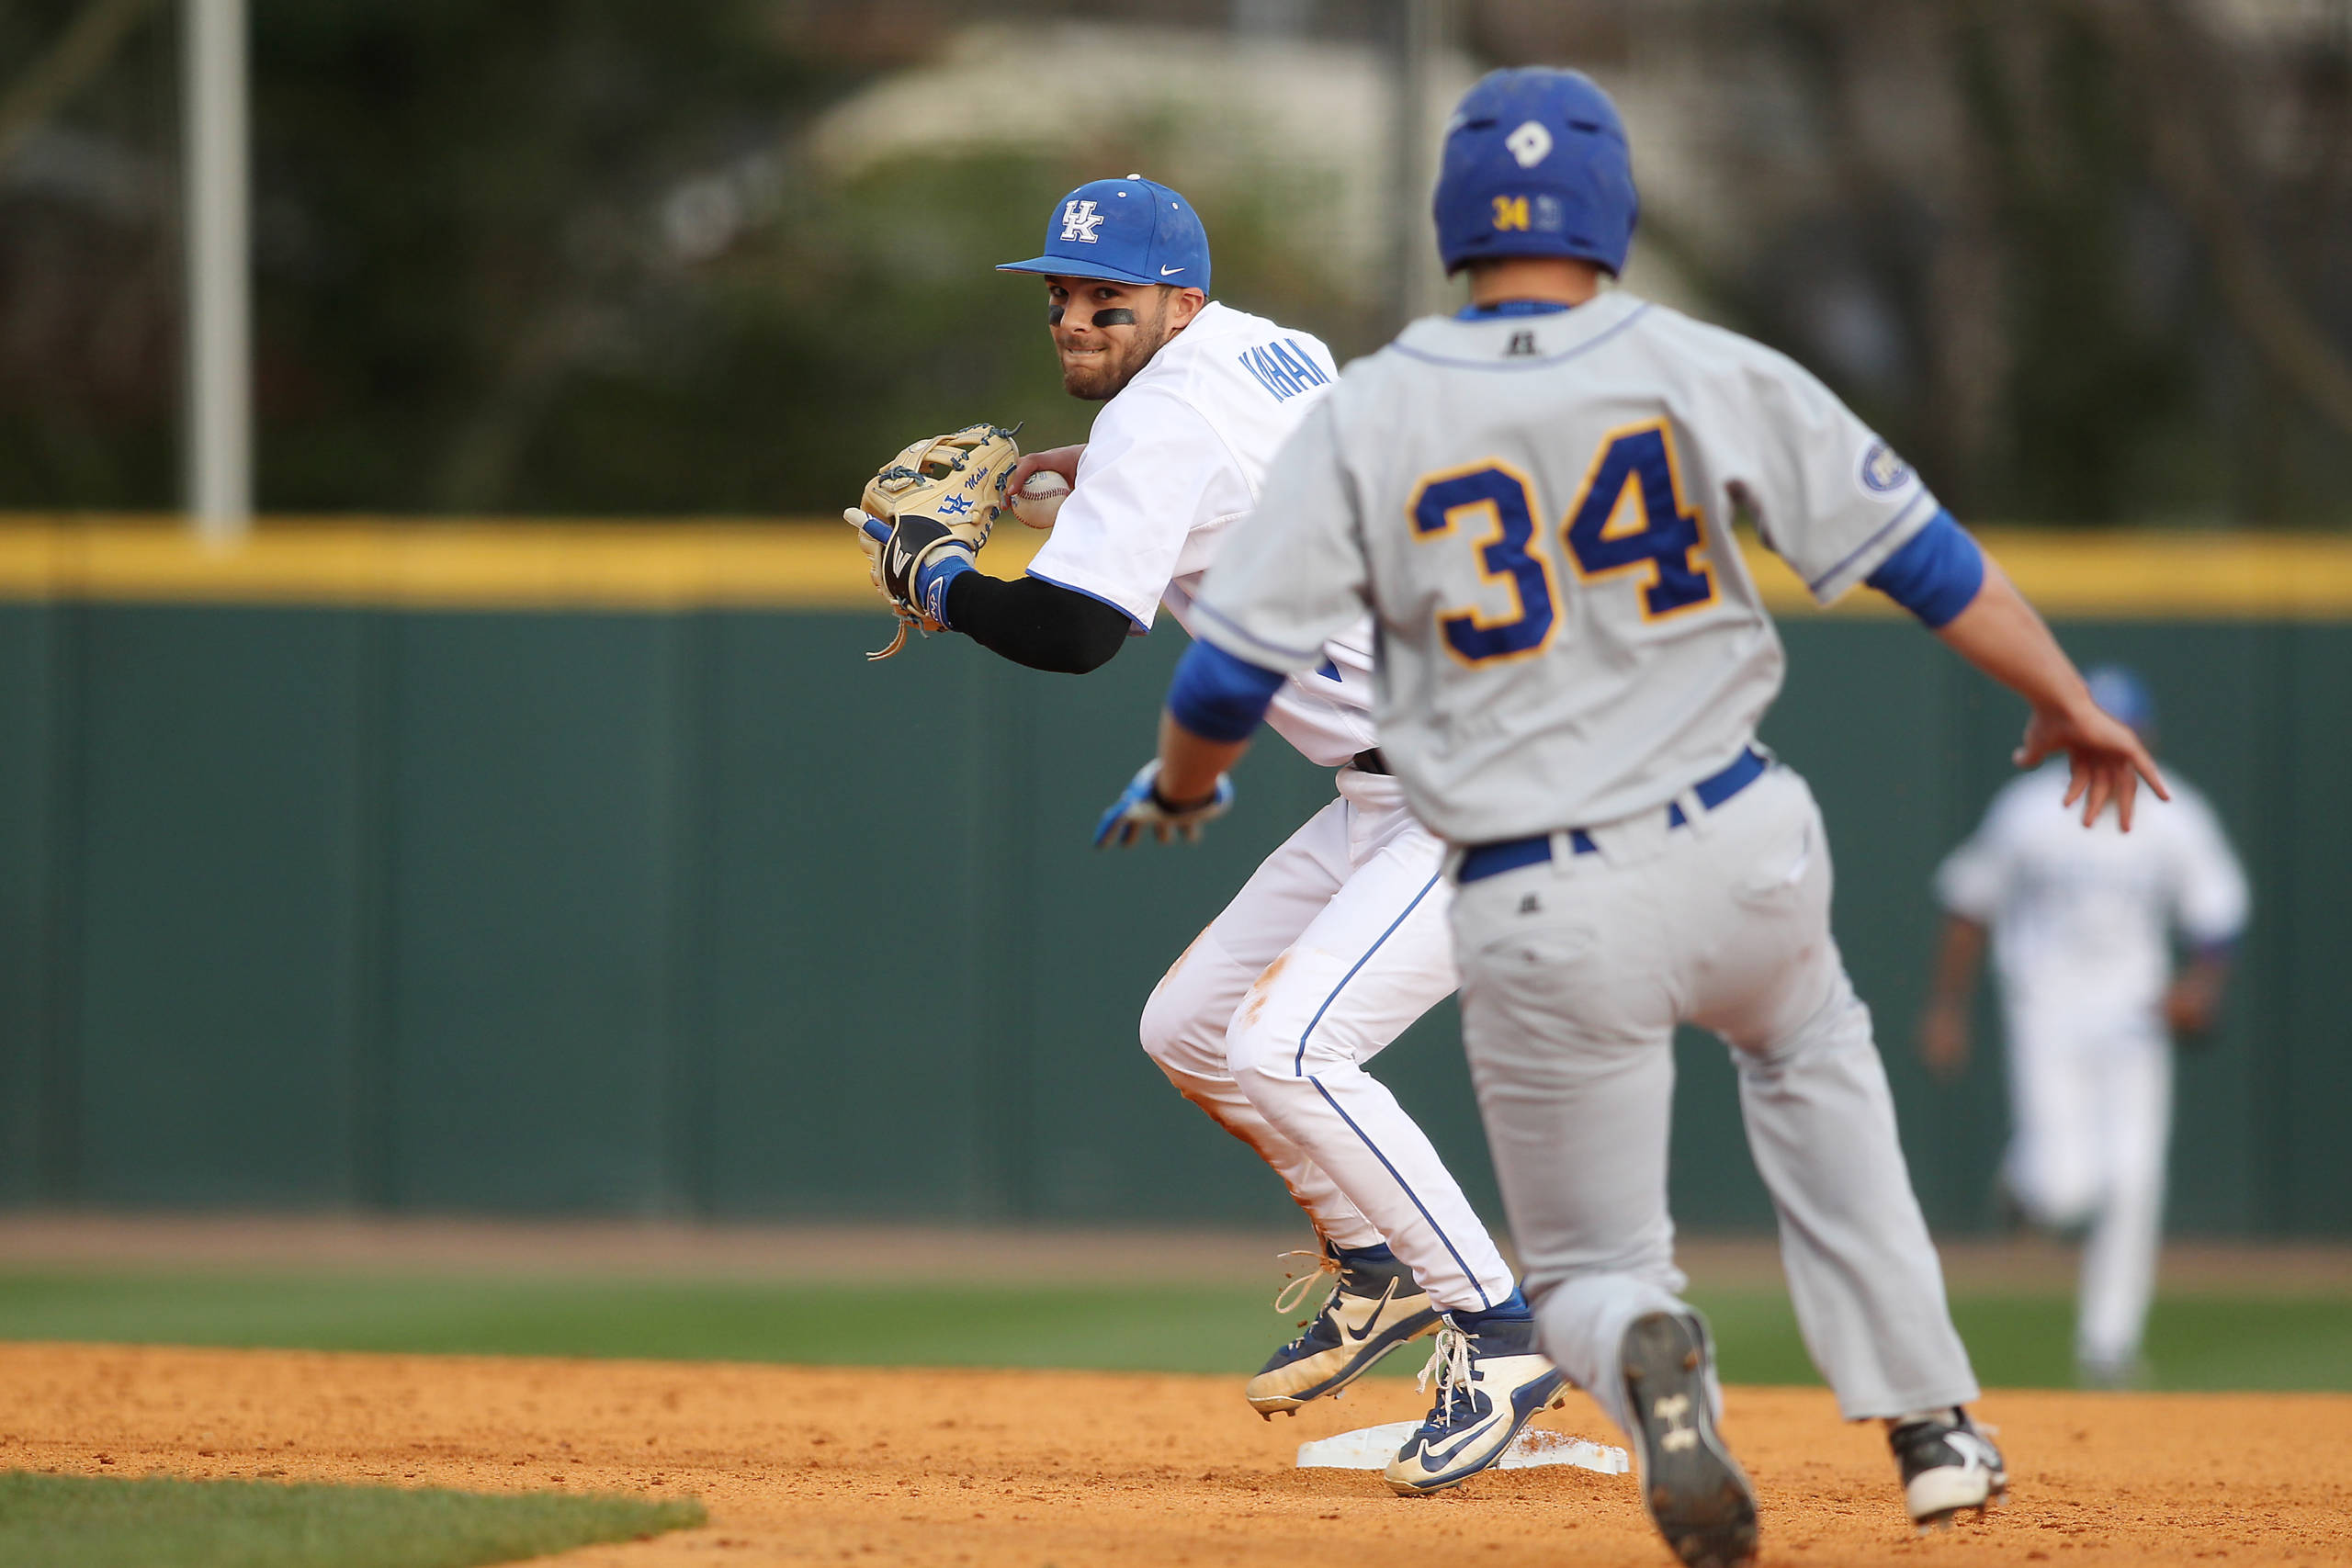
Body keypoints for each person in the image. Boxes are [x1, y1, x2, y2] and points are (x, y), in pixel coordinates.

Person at [1106, 67, 2167, 1562]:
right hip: (1738, 834)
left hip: (1532, 874)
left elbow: (1225, 666)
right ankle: (1932, 1424)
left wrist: (1186, 783)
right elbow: (1929, 564)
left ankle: (1641, 1344)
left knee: (1594, 1249)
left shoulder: (1383, 405)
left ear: (1451, 219)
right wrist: (2069, 699)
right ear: (1616, 211)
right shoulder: (1707, 368)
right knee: (1821, 1086)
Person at [853, 175, 1562, 1493]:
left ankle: (1503, 1332)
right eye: (1059, 293)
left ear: (1175, 298)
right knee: (1190, 1027)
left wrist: (942, 580)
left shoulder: (1160, 416)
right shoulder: (1266, 347)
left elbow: (1072, 636)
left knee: (1290, 1044)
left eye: (1104, 296)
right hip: (1401, 775)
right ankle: (1378, 1264)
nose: (1074, 315)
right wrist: (1087, 485)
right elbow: (1240, 489)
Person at [1919, 665, 2248, 1386]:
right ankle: (2025, 1188)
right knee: (2066, 1186)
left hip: (2137, 1015)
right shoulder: (2030, 810)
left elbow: (2217, 912)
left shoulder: (2175, 813)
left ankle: (2108, 1344)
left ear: (2145, 737)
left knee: (2134, 1177)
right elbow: (1969, 903)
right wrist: (1947, 1007)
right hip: (2046, 1011)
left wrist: (2201, 983)